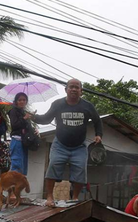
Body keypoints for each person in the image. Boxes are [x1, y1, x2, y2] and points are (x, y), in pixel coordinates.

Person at [32, 78, 103, 207]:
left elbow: (97, 121)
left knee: (80, 170)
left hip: (79, 146)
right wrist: (33, 117)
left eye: (77, 87)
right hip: (60, 145)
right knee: (53, 165)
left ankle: (74, 198)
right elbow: (47, 119)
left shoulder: (87, 106)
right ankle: (49, 197)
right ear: (66, 90)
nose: (74, 89)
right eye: (71, 87)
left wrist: (99, 135)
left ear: (81, 91)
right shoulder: (58, 104)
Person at [9, 92, 31, 175]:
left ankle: (18, 186)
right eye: (20, 100)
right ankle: (13, 186)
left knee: (23, 167)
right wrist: (24, 118)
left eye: (24, 100)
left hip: (24, 141)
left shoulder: (24, 112)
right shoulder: (13, 111)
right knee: (16, 165)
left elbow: (27, 128)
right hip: (16, 140)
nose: (22, 101)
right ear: (16, 101)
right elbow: (14, 125)